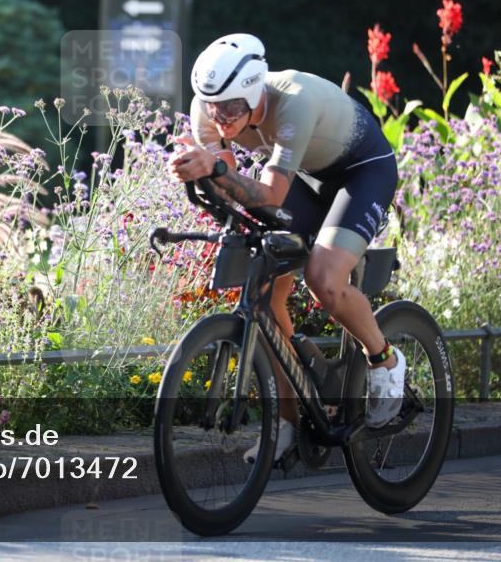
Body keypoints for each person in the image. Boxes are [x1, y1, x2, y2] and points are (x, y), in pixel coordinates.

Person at [166, 33, 405, 461]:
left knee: (322, 279)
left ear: (255, 92)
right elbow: (231, 182)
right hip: (306, 178)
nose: (221, 120)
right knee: (264, 292)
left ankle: (384, 359)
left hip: (361, 173)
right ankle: (292, 420)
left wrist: (214, 167)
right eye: (213, 107)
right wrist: (197, 174)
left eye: (233, 109)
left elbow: (270, 195)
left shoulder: (293, 101)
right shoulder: (210, 106)